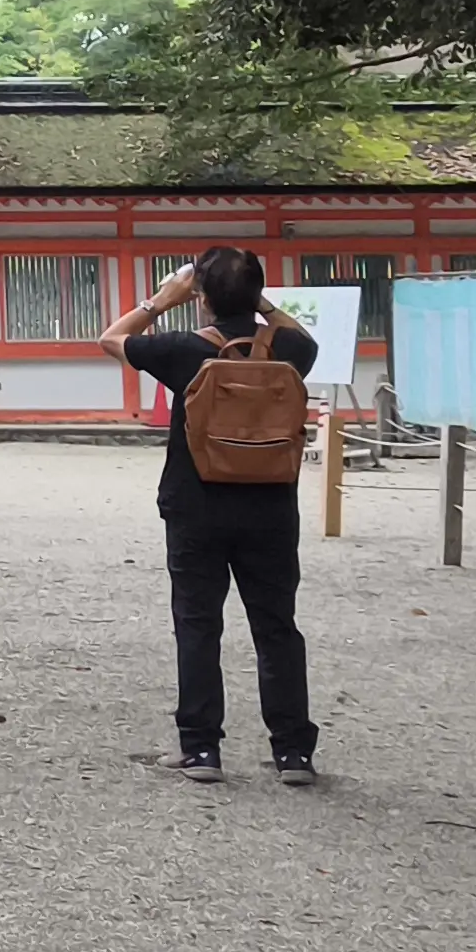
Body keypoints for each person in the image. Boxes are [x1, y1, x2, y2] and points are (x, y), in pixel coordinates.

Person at [98, 244, 322, 786]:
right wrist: (261, 305)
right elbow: (309, 340)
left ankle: (201, 750)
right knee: (276, 627)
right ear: (255, 292)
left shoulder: (183, 350)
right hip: (270, 506)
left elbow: (110, 339)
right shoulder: (288, 348)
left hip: (196, 506)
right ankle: (293, 753)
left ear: (201, 298)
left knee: (198, 625)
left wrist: (163, 298)